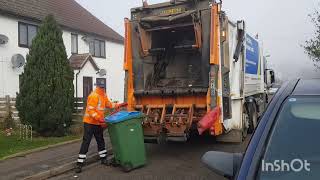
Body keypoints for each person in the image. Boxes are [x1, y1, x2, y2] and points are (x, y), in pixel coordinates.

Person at [75, 80, 117, 173]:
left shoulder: (103, 95)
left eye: (103, 87)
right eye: (100, 87)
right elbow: (90, 110)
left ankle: (103, 159)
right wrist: (99, 118)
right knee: (86, 142)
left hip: (98, 123)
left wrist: (118, 105)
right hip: (89, 123)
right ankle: (79, 164)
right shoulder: (93, 96)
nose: (102, 88)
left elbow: (109, 104)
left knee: (100, 140)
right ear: (97, 86)